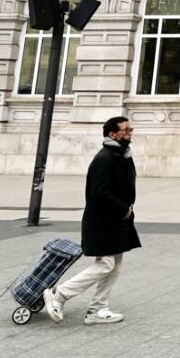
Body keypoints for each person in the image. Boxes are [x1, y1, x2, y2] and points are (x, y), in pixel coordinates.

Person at [43, 116, 139, 325]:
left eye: (130, 128)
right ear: (113, 134)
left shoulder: (122, 155)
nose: (130, 132)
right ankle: (59, 295)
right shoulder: (104, 159)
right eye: (126, 129)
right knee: (105, 264)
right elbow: (99, 193)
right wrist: (123, 209)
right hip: (102, 220)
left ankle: (98, 309)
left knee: (115, 266)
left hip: (117, 220)